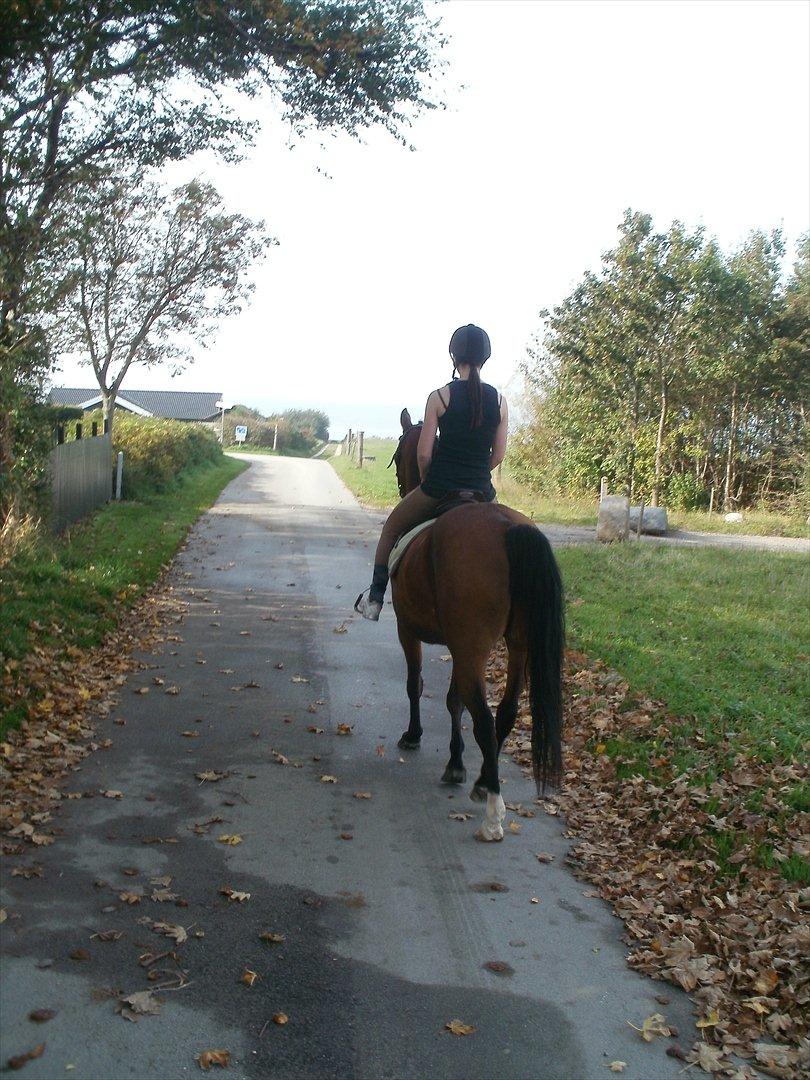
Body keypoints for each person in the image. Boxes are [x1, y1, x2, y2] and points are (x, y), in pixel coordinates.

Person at [354, 323, 509, 621]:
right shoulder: (500, 402)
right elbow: (499, 454)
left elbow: (424, 453)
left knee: (391, 528)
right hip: (482, 492)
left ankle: (374, 597)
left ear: (454, 357)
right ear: (485, 358)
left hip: (440, 487)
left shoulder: (439, 397)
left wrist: (427, 479)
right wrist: (477, 472)